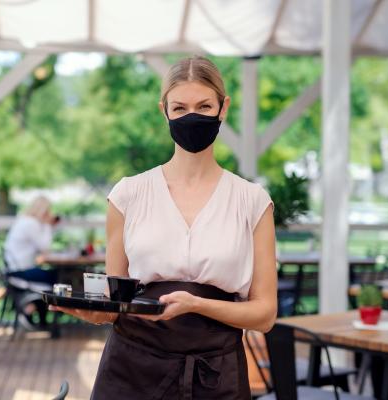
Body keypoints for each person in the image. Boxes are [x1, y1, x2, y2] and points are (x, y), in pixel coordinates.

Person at [50, 56, 277, 399]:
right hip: (131, 372)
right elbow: (115, 301)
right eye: (180, 107)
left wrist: (198, 305)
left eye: (204, 105)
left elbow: (264, 314)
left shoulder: (253, 201)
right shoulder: (128, 195)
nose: (192, 116)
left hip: (216, 375)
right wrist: (94, 312)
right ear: (164, 111)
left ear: (223, 107)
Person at [3, 195, 58, 286]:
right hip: (20, 271)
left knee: (57, 274)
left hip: (15, 268)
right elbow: (45, 247)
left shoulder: (25, 220)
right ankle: (49, 300)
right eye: (48, 211)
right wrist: (48, 224)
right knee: (59, 276)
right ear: (44, 211)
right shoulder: (31, 223)